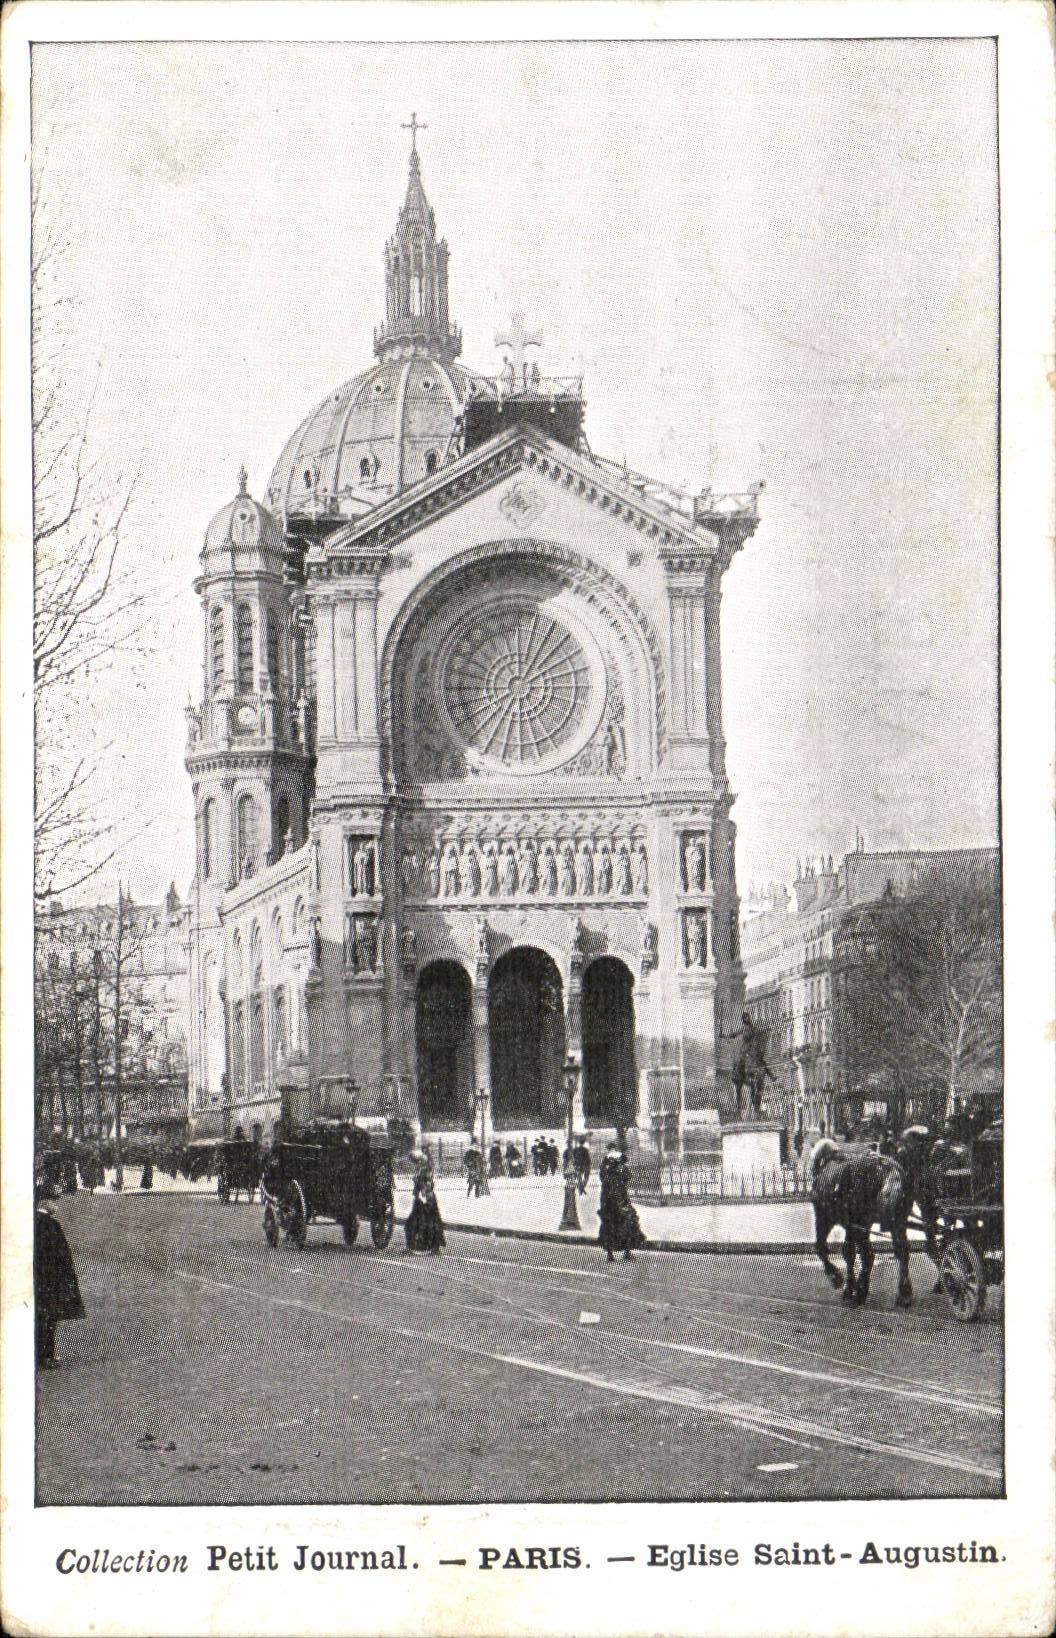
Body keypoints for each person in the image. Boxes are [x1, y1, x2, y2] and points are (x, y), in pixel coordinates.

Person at [34, 1190, 84, 1369]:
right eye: (54, 1201)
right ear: (44, 1203)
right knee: (48, 1319)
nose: (56, 1205)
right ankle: (46, 1357)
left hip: (35, 1278)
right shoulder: (51, 1224)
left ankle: (37, 1356)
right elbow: (62, 1255)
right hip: (49, 1279)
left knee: (37, 1317)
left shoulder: (30, 1221)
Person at [598, 1143, 646, 1263]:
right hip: (621, 1199)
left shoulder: (605, 1166)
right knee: (627, 1222)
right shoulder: (622, 1168)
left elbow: (603, 1179)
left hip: (608, 1200)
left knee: (609, 1224)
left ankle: (610, 1254)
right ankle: (627, 1252)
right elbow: (628, 1176)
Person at [404, 1154, 445, 1254]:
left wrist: (423, 1195)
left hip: (425, 1199)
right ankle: (434, 1247)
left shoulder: (423, 1169)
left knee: (419, 1223)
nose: (414, 1164)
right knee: (429, 1223)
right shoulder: (422, 1168)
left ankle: (414, 1247)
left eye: (415, 1161)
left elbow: (425, 1184)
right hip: (425, 1198)